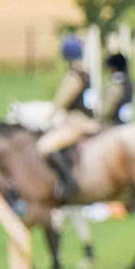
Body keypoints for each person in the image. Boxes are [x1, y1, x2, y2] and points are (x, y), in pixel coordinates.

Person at [38, 33, 99, 199]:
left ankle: (69, 183)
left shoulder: (73, 77)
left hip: (77, 122)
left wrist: (47, 118)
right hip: (91, 120)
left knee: (44, 146)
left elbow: (60, 103)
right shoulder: (86, 74)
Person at [99, 48, 135, 124]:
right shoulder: (129, 82)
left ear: (113, 68)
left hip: (114, 124)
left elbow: (106, 110)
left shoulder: (116, 84)